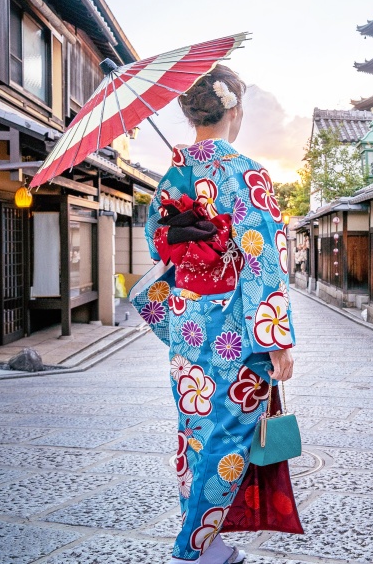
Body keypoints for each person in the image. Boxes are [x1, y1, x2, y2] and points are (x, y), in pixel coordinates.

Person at [135, 65, 298, 564]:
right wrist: (276, 338)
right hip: (235, 327)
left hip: (188, 322)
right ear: (234, 109)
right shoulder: (246, 173)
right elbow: (262, 255)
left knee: (195, 433)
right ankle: (194, 547)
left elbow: (156, 245)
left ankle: (213, 543)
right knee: (230, 437)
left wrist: (193, 227)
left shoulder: (171, 176)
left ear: (191, 114)